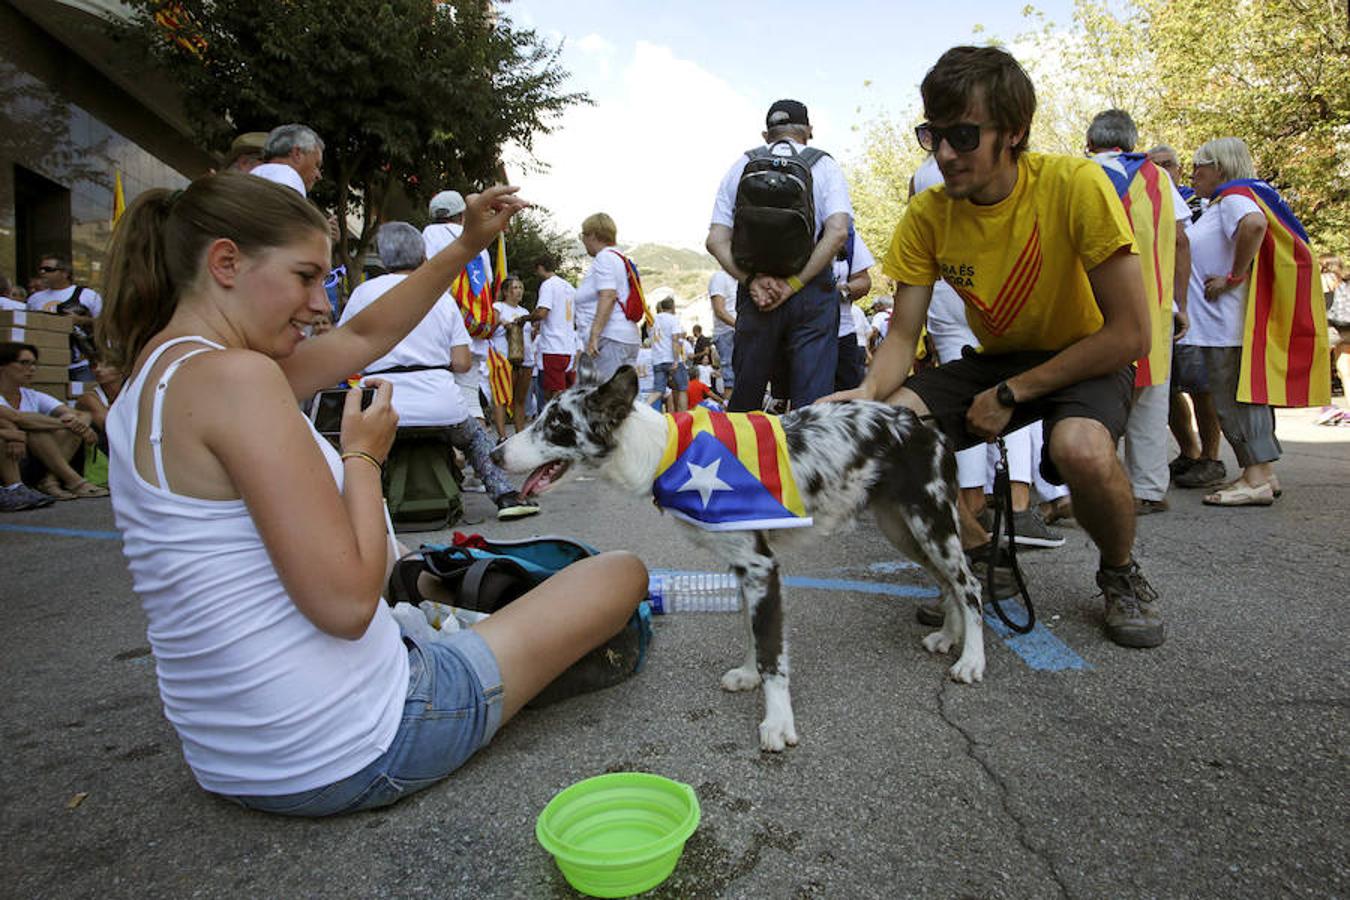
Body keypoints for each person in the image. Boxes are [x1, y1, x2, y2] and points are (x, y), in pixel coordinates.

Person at [98, 174, 644, 816]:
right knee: (618, 574)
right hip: (359, 745)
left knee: (450, 578)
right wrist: (362, 457)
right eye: (304, 277)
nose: (320, 303)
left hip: (230, 761)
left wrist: (466, 244)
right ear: (225, 263)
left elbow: (362, 339)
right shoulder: (239, 379)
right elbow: (349, 605)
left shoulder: (149, 383)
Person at [823, 46, 1164, 649]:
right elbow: (902, 333)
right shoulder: (928, 213)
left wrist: (1013, 394)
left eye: (963, 135)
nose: (945, 154)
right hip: (1002, 357)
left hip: (1084, 353)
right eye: (933, 135)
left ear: (1014, 133)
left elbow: (1130, 333)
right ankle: (986, 558)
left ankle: (1120, 573)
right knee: (887, 435)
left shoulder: (1075, 185)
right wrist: (868, 394)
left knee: (1081, 450)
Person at [340, 224, 538, 521]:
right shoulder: (441, 298)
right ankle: (506, 495)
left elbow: (343, 352)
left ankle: (354, 505)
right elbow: (461, 363)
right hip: (441, 407)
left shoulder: (362, 294)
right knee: (474, 439)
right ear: (422, 255)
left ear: (382, 257)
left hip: (383, 407)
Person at [1184, 137, 1325, 505]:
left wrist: (1234, 276)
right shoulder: (1233, 198)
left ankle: (1255, 477)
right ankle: (1263, 473)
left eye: (1200, 164)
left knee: (1232, 400)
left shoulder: (1233, 199)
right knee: (1245, 398)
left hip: (1225, 324)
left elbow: (1254, 225)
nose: (1193, 172)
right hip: (1227, 323)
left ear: (1220, 168)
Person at [706, 99, 854, 411]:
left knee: (746, 396)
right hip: (811, 292)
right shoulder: (824, 165)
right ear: (809, 131)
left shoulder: (742, 165)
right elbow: (838, 231)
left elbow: (715, 240)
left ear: (766, 134)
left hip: (757, 293)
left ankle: (739, 456)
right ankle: (804, 459)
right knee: (811, 406)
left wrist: (752, 281)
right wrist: (795, 284)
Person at [1085, 110, 1193, 515]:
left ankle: (1095, 483)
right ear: (1130, 141)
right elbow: (1181, 242)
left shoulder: (1081, 173)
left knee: (1096, 394)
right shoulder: (1159, 177)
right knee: (1150, 397)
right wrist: (1179, 302)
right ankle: (1147, 488)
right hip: (1155, 303)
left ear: (1090, 142)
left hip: (1096, 305)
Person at [0, 341, 105, 500]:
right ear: (3, 366)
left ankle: (51, 481)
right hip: (10, 456)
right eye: (24, 363)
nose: (32, 368)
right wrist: (66, 422)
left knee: (67, 428)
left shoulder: (31, 395)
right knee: (38, 430)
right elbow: (18, 418)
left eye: (34, 364)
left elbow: (83, 415)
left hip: (38, 457)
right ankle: (74, 482)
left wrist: (79, 423)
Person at [424, 190, 494, 428]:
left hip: (442, 327)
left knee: (443, 395)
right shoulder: (477, 242)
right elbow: (489, 282)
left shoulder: (429, 235)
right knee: (470, 396)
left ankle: (454, 453)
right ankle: (482, 455)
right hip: (474, 327)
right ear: (461, 215)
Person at [576, 213, 641, 381]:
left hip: (610, 339)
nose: (582, 240)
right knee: (622, 400)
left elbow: (608, 296)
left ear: (593, 235)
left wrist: (594, 336)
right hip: (627, 337)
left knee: (605, 399)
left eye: (583, 235)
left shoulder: (604, 258)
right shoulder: (621, 259)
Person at [26, 254, 103, 382]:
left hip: (81, 363)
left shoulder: (87, 295)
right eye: (41, 269)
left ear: (65, 273)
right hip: (46, 363)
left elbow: (106, 323)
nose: (42, 272)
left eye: (48, 269)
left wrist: (81, 321)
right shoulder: (34, 299)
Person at [491, 275, 534, 435]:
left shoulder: (524, 311)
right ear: (506, 291)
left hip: (526, 358)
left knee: (520, 399)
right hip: (504, 358)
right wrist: (501, 323)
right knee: (502, 398)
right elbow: (489, 329)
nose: (519, 291)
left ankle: (520, 434)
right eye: (515, 288)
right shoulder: (498, 307)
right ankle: (502, 436)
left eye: (520, 288)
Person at [833, 230, 875, 391]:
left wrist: (839, 291)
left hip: (842, 336)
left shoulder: (848, 235)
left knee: (846, 400)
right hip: (796, 333)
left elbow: (864, 281)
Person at [530, 255, 576, 400]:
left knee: (553, 395)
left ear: (540, 267)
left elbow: (542, 312)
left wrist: (526, 318)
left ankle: (558, 422)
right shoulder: (569, 287)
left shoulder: (548, 285)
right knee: (567, 394)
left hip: (553, 346)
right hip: (569, 347)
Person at [251, 124, 324, 195]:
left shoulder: (250, 180)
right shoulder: (288, 188)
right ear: (297, 154)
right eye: (316, 165)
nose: (319, 176)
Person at [650, 296, 688, 412]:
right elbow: (675, 339)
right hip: (671, 358)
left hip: (657, 359)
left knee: (658, 390)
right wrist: (676, 360)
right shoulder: (673, 319)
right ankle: (683, 418)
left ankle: (642, 407)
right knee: (682, 389)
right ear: (673, 307)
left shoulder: (653, 320)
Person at [707, 268, 737, 392]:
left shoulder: (739, 279)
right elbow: (719, 311)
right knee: (731, 377)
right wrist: (740, 326)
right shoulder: (720, 277)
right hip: (727, 332)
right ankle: (729, 406)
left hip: (736, 331)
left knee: (740, 377)